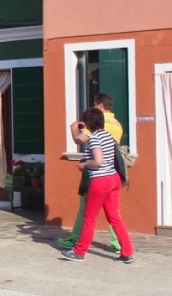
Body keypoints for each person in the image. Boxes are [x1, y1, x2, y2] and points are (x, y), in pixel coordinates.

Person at [61, 107, 135, 263]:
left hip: (100, 181)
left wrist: (84, 164)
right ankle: (127, 252)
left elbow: (98, 161)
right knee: (115, 218)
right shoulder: (107, 134)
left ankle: (79, 252)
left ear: (87, 123)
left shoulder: (94, 139)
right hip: (113, 179)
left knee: (89, 218)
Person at [58, 93, 123, 252]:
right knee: (113, 212)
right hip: (112, 170)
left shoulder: (96, 123)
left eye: (94, 104)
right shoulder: (117, 124)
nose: (93, 107)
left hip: (96, 171)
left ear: (100, 106)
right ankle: (118, 242)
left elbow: (79, 139)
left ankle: (76, 240)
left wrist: (74, 130)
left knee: (86, 208)